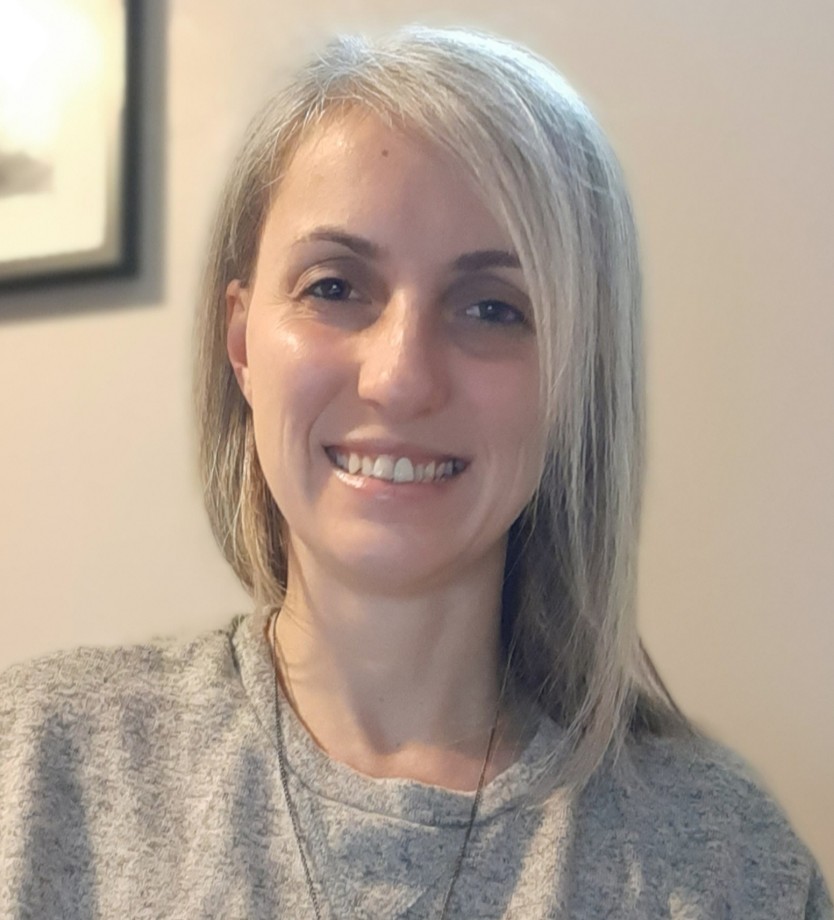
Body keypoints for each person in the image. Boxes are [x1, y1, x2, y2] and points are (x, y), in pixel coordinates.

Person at [1, 25, 830, 920]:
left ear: (576, 382)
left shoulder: (729, 864)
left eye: (492, 308)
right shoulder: (38, 772)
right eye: (334, 287)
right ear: (241, 342)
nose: (399, 376)